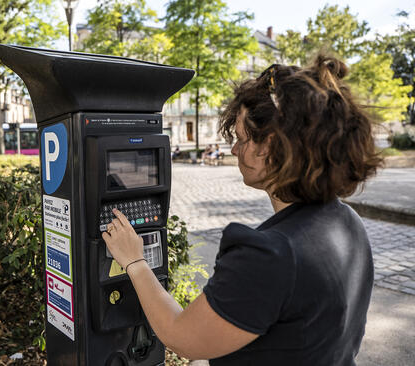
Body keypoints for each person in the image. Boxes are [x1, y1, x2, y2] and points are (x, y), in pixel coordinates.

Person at [102, 54, 382, 365]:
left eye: (241, 139)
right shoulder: (346, 221)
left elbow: (182, 337)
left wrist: (135, 261)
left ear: (273, 146)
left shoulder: (269, 256)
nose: (235, 149)